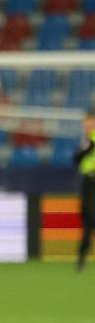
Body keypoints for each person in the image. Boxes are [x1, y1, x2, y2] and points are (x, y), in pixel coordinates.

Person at [74, 111, 95, 271]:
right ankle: (81, 258)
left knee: (89, 217)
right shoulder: (86, 141)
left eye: (89, 124)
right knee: (87, 219)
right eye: (85, 124)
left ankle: (81, 258)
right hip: (87, 182)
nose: (86, 126)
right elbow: (76, 159)